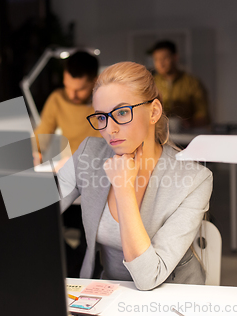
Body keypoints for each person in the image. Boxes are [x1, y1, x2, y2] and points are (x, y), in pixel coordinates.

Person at [57, 61, 213, 290]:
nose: (110, 129)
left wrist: (122, 188)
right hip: (109, 297)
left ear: (154, 112)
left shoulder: (194, 180)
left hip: (171, 300)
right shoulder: (89, 153)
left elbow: (149, 278)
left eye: (121, 112)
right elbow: (34, 212)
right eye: (101, 117)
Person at [33, 51, 101, 157]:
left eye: (80, 89)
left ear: (95, 81)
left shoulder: (106, 103)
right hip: (69, 166)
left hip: (103, 167)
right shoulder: (58, 99)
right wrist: (35, 154)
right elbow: (40, 138)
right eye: (67, 86)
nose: (71, 95)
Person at [151, 40, 210, 129]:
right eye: (157, 59)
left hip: (186, 136)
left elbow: (203, 114)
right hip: (159, 136)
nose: (161, 63)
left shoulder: (192, 83)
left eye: (164, 58)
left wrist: (189, 123)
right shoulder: (152, 83)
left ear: (175, 57)